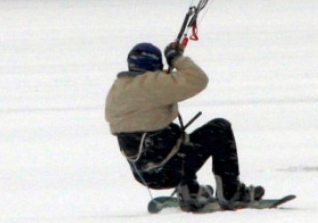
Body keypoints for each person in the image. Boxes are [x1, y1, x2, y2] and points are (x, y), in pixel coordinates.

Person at [105, 41, 264, 211]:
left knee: (172, 137)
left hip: (145, 174)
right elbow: (198, 80)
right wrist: (176, 59)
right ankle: (232, 193)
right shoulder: (153, 84)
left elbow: (144, 103)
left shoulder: (117, 90)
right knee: (220, 128)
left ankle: (190, 190)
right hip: (169, 171)